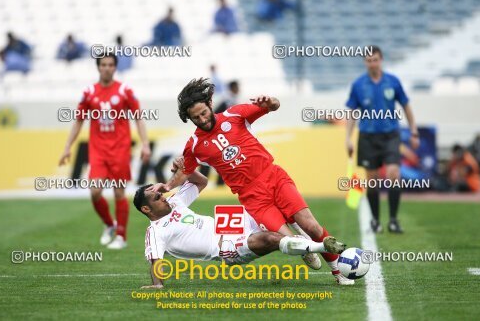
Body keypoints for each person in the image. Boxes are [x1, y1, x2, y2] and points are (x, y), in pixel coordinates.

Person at [149, 78, 354, 285]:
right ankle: (304, 246)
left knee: (312, 227)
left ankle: (339, 273)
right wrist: (166, 186)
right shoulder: (194, 145)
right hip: (253, 198)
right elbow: (185, 171)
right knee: (287, 240)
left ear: (210, 104)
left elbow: (274, 106)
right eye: (195, 118)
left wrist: (269, 100)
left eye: (203, 113)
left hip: (273, 177)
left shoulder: (235, 114)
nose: (202, 119)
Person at [135, 159, 346, 289]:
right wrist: (157, 285)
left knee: (271, 202)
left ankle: (301, 244)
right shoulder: (156, 231)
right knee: (271, 238)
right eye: (156, 198)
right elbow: (155, 259)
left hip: (234, 221)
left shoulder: (174, 201)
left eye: (160, 193)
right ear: (146, 209)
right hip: (226, 248)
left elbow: (201, 182)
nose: (163, 197)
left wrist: (185, 168)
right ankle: (318, 246)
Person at [59, 52, 152, 249]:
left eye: (110, 64)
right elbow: (78, 121)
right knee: (94, 192)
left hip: (119, 149)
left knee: (119, 192)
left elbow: (138, 117)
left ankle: (121, 236)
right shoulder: (89, 93)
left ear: (115, 67)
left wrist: (145, 144)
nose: (107, 68)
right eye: (103, 65)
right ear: (98, 67)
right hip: (98, 150)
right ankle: (110, 224)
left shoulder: (125, 91)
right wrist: (67, 147)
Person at [345, 46, 419, 234]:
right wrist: (348, 138)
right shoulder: (358, 85)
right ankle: (376, 221)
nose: (372, 63)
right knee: (372, 180)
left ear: (381, 60)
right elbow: (352, 113)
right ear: (365, 62)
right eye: (369, 60)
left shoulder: (392, 82)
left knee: (394, 174)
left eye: (375, 60)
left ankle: (393, 220)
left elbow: (406, 106)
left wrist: (414, 131)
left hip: (390, 135)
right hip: (368, 137)